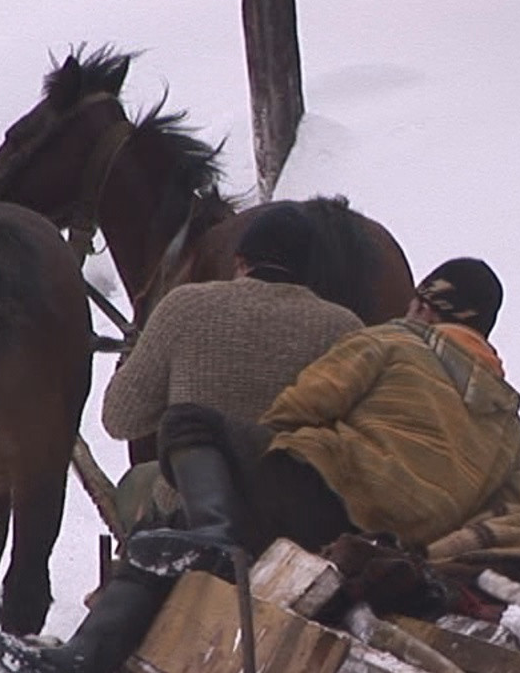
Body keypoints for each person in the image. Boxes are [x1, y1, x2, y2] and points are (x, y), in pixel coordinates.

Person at [8, 257, 520, 673]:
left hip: (329, 495)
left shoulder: (393, 341)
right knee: (172, 533)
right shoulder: (506, 416)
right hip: (394, 539)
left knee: (187, 425)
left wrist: (266, 450)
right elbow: (514, 505)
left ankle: (204, 547)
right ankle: (182, 564)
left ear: (424, 304)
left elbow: (300, 407)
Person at [102, 203, 362, 523]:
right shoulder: (344, 329)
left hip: (191, 517)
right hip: (298, 522)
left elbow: (119, 419)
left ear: (239, 261)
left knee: (135, 485)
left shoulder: (184, 307)